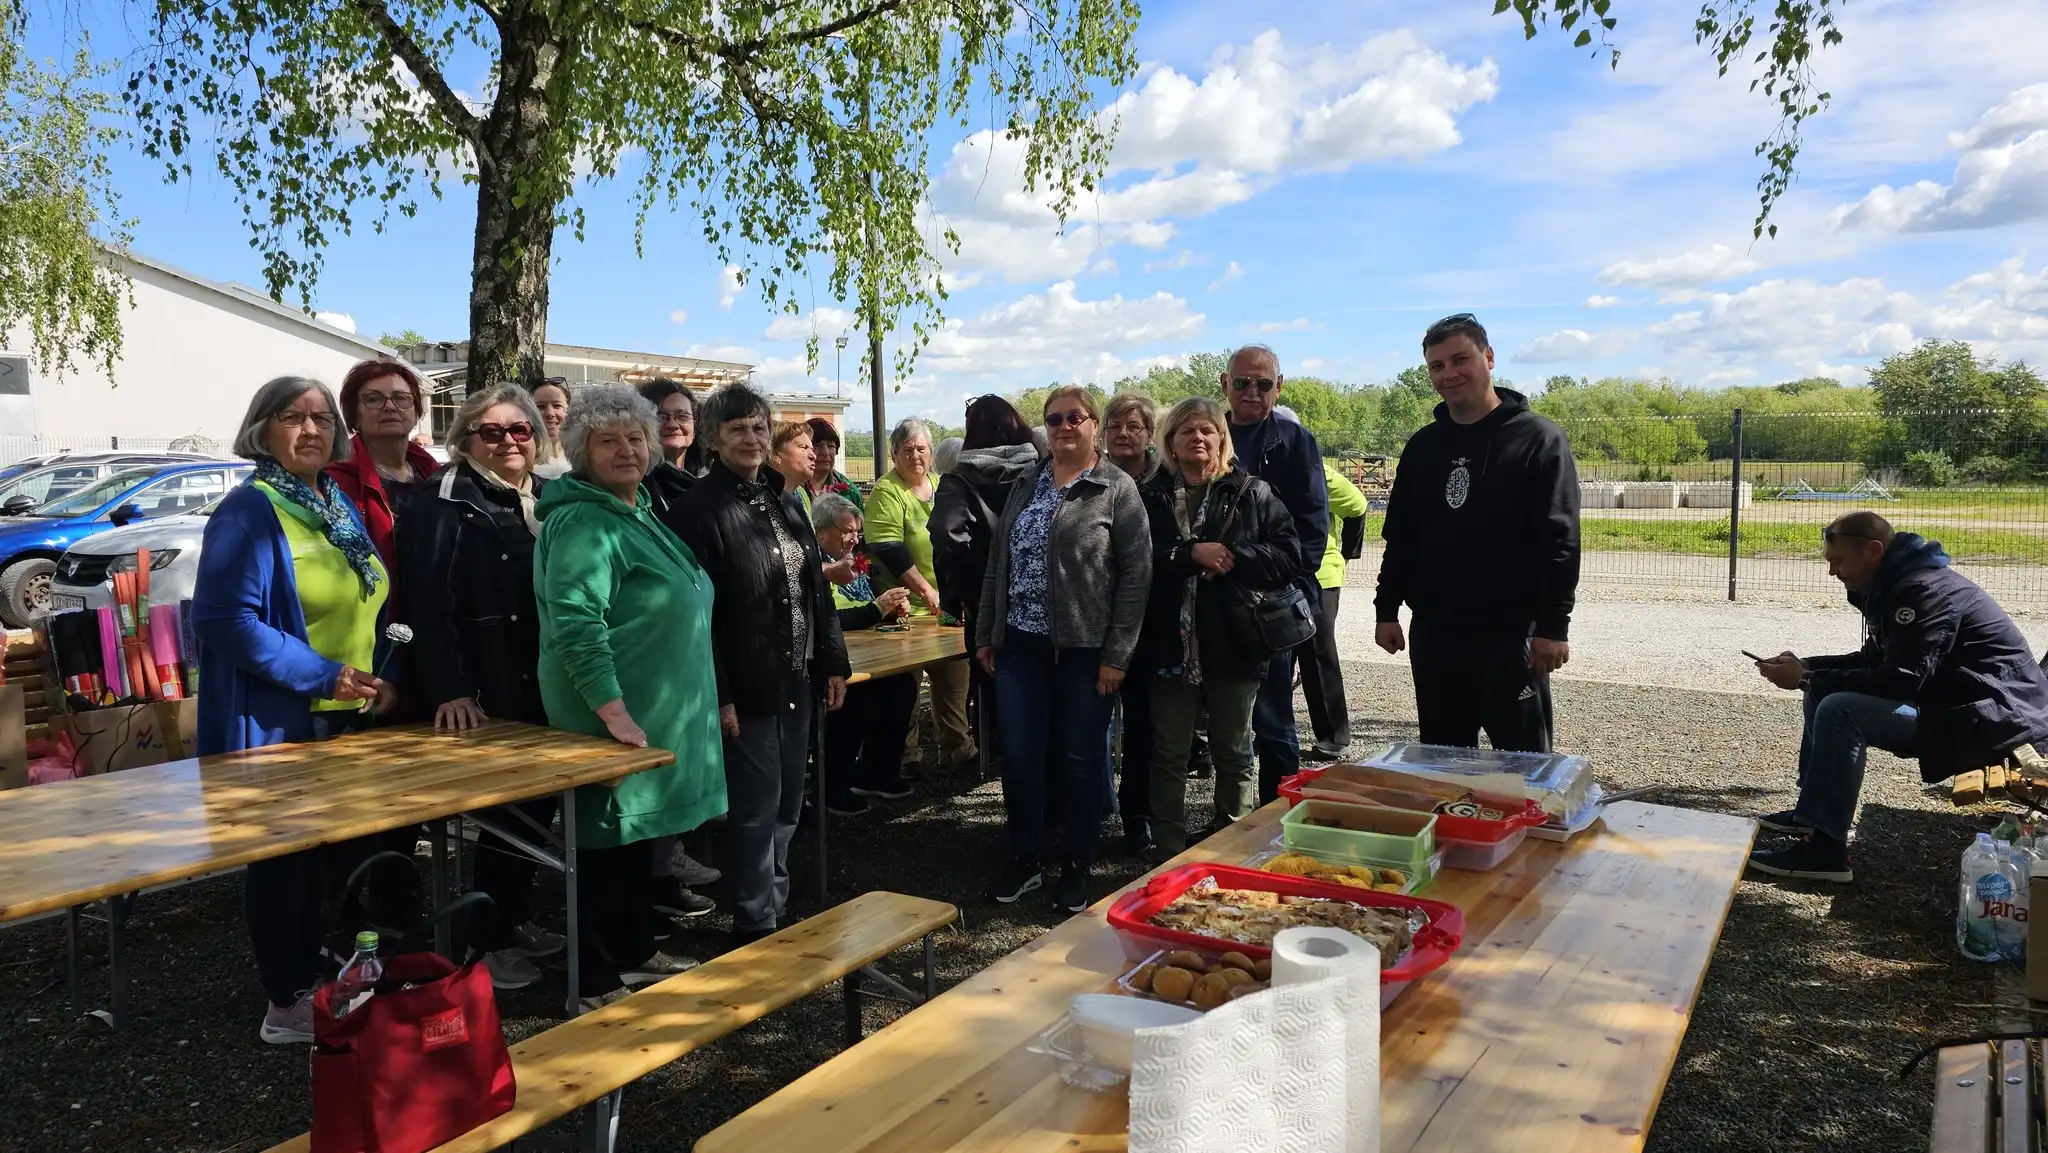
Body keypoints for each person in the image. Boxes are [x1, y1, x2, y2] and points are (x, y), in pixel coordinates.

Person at [194, 375, 397, 1044]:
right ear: (262, 430)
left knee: (333, 858)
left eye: (321, 418)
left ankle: (326, 972)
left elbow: (366, 599)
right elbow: (225, 621)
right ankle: (285, 1001)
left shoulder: (334, 505)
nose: (311, 429)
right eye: (292, 417)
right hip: (282, 719)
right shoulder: (249, 511)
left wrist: (377, 673)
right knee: (285, 862)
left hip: (345, 714)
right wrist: (325, 673)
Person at [535, 385, 725, 1008]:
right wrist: (612, 712)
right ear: (580, 451)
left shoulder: (635, 509)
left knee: (639, 840)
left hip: (653, 711)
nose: (626, 450)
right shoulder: (583, 521)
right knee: (605, 844)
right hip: (611, 715)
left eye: (636, 438)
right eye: (607, 440)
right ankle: (594, 979)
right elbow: (576, 624)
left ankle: (633, 949)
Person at [1747, 512, 2048, 882]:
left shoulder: (1923, 592)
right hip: (1967, 707)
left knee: (1840, 709)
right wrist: (1809, 667)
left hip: (1997, 719)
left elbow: (1901, 679)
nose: (1832, 572)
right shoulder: (1898, 582)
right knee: (1823, 692)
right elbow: (1876, 661)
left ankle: (1825, 852)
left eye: (1838, 561)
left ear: (1873, 550)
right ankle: (1811, 815)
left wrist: (1807, 678)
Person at [394, 384, 567, 990]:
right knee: (503, 815)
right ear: (465, 439)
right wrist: (450, 688)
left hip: (543, 676)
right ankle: (486, 941)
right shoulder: (442, 501)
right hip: (486, 682)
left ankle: (511, 919)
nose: (509, 441)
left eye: (520, 430)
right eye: (492, 432)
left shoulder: (546, 497)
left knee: (535, 809)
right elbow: (423, 604)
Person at [675, 383, 850, 946]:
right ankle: (755, 920)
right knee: (755, 805)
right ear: (713, 439)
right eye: (736, 429)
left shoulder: (783, 499)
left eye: (758, 427)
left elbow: (815, 590)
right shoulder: (700, 508)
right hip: (746, 685)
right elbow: (696, 615)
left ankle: (773, 903)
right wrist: (720, 692)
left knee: (788, 802)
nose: (751, 438)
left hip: (797, 675)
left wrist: (833, 660)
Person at [977, 386, 1151, 913]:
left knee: (1080, 759)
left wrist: (1117, 655)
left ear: (1094, 424)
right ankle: (1025, 858)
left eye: (1075, 417)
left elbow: (1136, 576)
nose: (1064, 427)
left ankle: (1078, 863)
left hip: (1084, 651)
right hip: (1020, 647)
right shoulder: (1026, 483)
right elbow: (998, 562)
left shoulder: (1116, 489)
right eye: (1053, 420)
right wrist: (987, 632)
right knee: (1020, 758)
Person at [1373, 314, 1579, 753]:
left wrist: (1553, 625)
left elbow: (1559, 541)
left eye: (1459, 359)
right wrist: (1386, 608)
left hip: (1510, 635)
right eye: (1437, 366)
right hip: (1436, 634)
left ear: (1488, 357)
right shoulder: (1423, 447)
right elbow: (1402, 537)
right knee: (1442, 764)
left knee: (1524, 768)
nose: (1448, 374)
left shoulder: (1539, 440)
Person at [1140, 397, 1301, 857]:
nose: (1197, 437)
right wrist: (1189, 554)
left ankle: (1232, 851)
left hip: (1234, 642)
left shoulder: (1253, 492)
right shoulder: (1149, 495)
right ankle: (1168, 853)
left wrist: (1234, 557)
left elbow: (1290, 557)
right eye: (1186, 430)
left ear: (1221, 439)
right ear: (1170, 441)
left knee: (1234, 752)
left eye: (1207, 429)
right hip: (1168, 645)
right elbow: (1132, 558)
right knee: (1169, 755)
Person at [1219, 345, 1328, 800]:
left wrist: (1277, 583)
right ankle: (1232, 817)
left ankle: (1277, 815)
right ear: (1225, 384)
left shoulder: (1294, 441)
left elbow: (1312, 529)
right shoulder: (1207, 432)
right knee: (1222, 721)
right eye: (1242, 382)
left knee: (1273, 720)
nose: (1252, 391)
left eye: (1263, 383)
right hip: (1212, 598)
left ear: (1278, 387)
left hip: (1268, 604)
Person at [868, 418, 976, 772]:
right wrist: (927, 590)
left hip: (946, 606)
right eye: (908, 449)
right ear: (894, 453)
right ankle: (907, 756)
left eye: (922, 449)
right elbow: (888, 547)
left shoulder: (940, 485)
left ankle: (957, 749)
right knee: (907, 690)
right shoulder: (887, 491)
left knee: (954, 683)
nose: (916, 456)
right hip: (906, 611)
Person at [813, 493, 919, 814]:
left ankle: (877, 773)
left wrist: (891, 607)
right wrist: (876, 610)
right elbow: (832, 617)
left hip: (863, 650)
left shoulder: (855, 564)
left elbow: (869, 603)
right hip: (829, 657)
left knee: (902, 685)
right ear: (821, 533)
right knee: (854, 699)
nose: (854, 539)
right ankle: (831, 788)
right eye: (847, 531)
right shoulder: (816, 567)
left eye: (857, 532)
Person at [1274, 406, 1366, 762]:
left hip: (1319, 575)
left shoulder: (1318, 472)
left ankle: (1333, 736)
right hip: (1275, 570)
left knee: (1317, 654)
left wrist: (1347, 553)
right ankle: (1275, 732)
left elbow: (1357, 505)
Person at [1102, 391, 1161, 853]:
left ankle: (1137, 816)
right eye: (1115, 426)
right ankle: (1091, 808)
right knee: (1090, 726)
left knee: (1144, 729)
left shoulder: (1166, 484)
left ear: (1150, 433)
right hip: (1096, 622)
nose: (1124, 434)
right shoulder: (1090, 480)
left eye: (1134, 426)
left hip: (1152, 624)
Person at [933, 396, 1040, 630]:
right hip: (1037, 595)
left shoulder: (958, 481)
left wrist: (960, 593)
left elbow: (945, 533)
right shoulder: (1042, 473)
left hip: (983, 599)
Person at [327, 358, 440, 565]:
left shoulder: (435, 475)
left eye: (401, 398)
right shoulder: (333, 481)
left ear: (416, 412)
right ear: (354, 415)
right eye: (373, 399)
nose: (389, 406)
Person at [637, 377, 700, 531]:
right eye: (660, 417)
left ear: (695, 426)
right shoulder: (636, 487)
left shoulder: (709, 479)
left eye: (682, 416)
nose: (672, 424)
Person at [804, 417, 864, 514]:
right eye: (817, 446)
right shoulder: (793, 486)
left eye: (831, 446)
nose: (825, 452)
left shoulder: (849, 491)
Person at [772, 421, 818, 519]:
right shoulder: (759, 498)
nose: (813, 456)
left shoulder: (802, 495)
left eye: (811, 449)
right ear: (774, 453)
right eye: (803, 447)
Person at [531, 379, 573, 479]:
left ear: (569, 411)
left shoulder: (580, 455)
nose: (550, 413)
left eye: (557, 406)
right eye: (541, 406)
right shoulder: (522, 457)